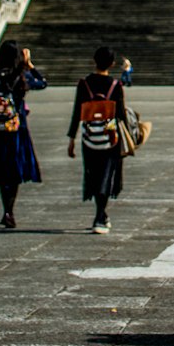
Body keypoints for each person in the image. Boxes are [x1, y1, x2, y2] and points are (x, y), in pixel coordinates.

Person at [0, 40, 47, 228]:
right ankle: (10, 210)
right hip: (18, 129)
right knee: (14, 170)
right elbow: (43, 83)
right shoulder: (22, 76)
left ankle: (6, 210)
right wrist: (30, 66)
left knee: (3, 170)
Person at [67, 45, 125, 234]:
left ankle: (101, 214)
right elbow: (121, 115)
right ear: (113, 63)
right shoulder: (115, 85)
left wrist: (71, 139)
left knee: (93, 174)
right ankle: (100, 215)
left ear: (94, 61)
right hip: (110, 138)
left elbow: (77, 113)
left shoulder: (84, 84)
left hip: (89, 138)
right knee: (106, 175)